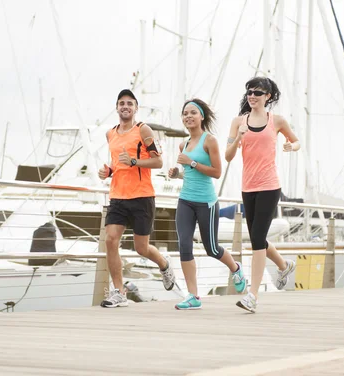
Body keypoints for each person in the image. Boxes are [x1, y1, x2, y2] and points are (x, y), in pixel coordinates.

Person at [225, 77, 300, 313]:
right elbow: (227, 156)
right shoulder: (238, 122)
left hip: (269, 185)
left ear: (268, 96)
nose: (252, 95)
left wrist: (291, 146)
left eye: (258, 92)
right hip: (248, 187)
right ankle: (284, 264)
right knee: (257, 237)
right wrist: (238, 137)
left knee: (257, 238)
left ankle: (252, 295)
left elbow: (296, 141)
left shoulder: (276, 121)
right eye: (250, 91)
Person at [97, 89, 176, 308]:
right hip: (118, 196)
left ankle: (163, 264)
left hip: (142, 196)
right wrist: (108, 171)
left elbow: (158, 162)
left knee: (141, 248)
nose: (125, 106)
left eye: (129, 103)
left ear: (136, 108)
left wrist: (133, 162)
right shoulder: (110, 134)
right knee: (111, 240)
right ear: (116, 107)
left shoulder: (144, 130)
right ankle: (119, 293)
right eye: (121, 103)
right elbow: (116, 162)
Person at [168, 99, 246, 310]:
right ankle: (193, 296)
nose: (188, 116)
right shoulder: (183, 144)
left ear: (202, 116)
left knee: (211, 248)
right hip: (185, 200)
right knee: (184, 245)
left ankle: (235, 268)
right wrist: (178, 174)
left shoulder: (209, 140)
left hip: (206, 203)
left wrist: (191, 162)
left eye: (193, 112)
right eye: (185, 113)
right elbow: (191, 174)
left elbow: (217, 173)